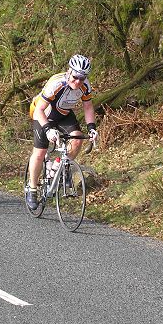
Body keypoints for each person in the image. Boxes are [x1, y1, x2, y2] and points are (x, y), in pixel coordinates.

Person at [26, 54, 98, 210]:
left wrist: (91, 127)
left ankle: (58, 166)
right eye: (75, 76)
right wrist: (47, 129)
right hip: (43, 113)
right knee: (40, 152)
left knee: (77, 138)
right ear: (69, 71)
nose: (78, 81)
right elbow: (39, 110)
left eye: (82, 77)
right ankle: (32, 189)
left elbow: (88, 107)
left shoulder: (85, 85)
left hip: (64, 113)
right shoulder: (56, 83)